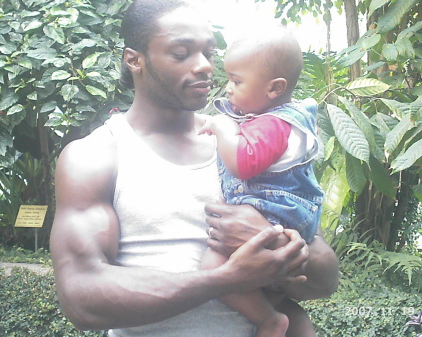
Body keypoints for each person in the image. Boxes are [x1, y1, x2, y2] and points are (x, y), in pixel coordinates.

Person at [49, 1, 339, 337]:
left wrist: (271, 241)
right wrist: (227, 278)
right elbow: (83, 298)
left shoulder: (252, 144)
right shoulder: (95, 156)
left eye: (210, 53)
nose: (204, 66)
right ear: (134, 59)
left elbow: (326, 279)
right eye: (181, 53)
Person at [198, 24, 324, 337]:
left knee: (213, 266)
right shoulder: (265, 117)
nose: (227, 87)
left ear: (274, 89)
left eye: (236, 81)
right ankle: (270, 306)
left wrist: (224, 129)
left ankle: (270, 320)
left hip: (274, 211)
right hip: (277, 213)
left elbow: (244, 163)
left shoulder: (275, 123)